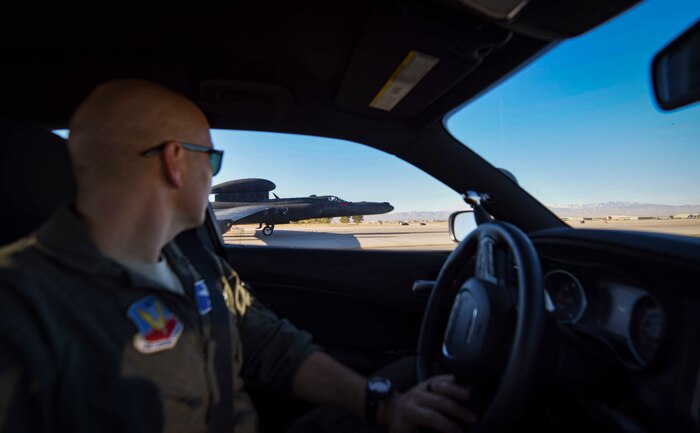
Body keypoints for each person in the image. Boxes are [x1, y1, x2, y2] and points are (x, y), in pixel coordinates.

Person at [0, 79, 475, 433]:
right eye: (212, 160)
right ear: (175, 162)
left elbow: (275, 348)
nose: (213, 176)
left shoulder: (197, 269)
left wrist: (384, 406)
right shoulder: (20, 305)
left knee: (407, 380)